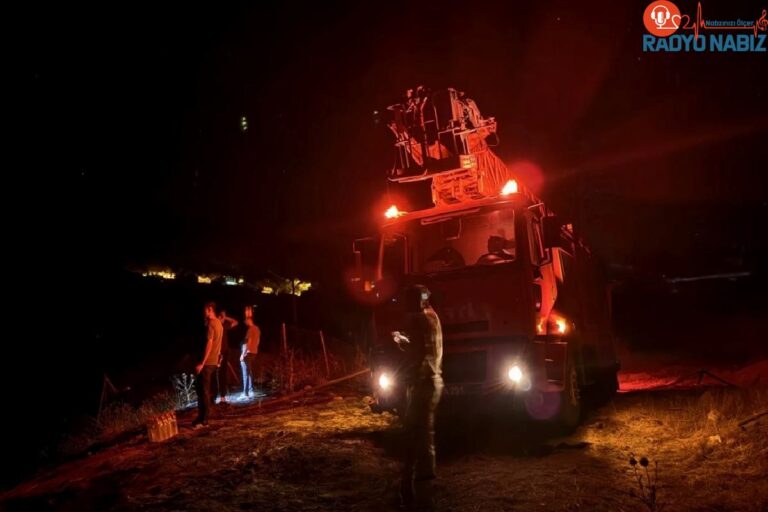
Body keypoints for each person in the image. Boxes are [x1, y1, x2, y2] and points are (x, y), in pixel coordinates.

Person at [395, 285, 444, 509]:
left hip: (424, 382)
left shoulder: (420, 320)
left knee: (411, 430)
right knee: (425, 430)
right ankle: (425, 478)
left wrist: (398, 340)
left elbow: (421, 352)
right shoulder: (432, 316)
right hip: (434, 381)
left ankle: (409, 482)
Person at [193, 302, 223, 429]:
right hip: (213, 362)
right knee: (203, 390)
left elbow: (210, 344)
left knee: (203, 391)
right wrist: (219, 359)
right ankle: (201, 418)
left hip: (207, 362)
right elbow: (219, 343)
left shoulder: (211, 324)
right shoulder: (219, 324)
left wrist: (202, 363)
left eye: (205, 310)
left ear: (210, 310)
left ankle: (204, 420)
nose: (204, 312)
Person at [216, 309, 239, 404]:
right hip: (217, 353)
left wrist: (226, 317)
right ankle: (214, 396)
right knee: (216, 375)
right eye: (223, 317)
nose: (224, 319)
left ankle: (222, 397)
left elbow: (236, 322)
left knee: (223, 375)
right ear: (219, 317)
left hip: (225, 352)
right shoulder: (217, 326)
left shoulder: (224, 326)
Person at [240, 314, 261, 398]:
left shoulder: (250, 329)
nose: (245, 323)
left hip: (248, 353)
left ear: (249, 321)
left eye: (246, 321)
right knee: (249, 372)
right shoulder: (257, 329)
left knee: (246, 373)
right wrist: (255, 348)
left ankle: (245, 393)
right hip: (254, 352)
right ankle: (251, 390)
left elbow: (249, 342)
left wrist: (243, 354)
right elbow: (258, 340)